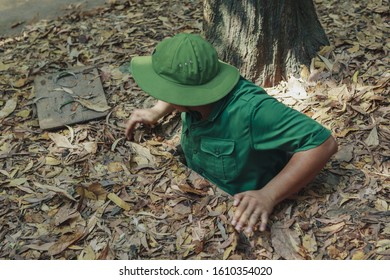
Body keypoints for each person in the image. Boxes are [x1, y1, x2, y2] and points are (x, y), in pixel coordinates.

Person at [125, 33, 338, 234]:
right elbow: (182, 83)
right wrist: (158, 109)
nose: (163, 95)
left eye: (165, 91)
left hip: (239, 202)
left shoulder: (253, 111)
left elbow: (322, 144)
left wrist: (269, 195)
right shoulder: (198, 87)